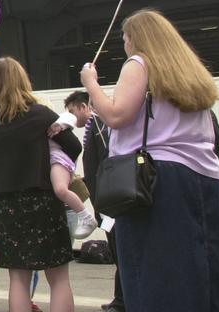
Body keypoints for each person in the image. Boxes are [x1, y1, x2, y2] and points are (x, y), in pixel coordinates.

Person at [80, 9, 219, 311]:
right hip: (206, 179)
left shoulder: (139, 63)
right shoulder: (188, 71)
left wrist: (91, 83)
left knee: (157, 272)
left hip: (157, 182)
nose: (125, 45)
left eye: (125, 38)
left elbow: (116, 115)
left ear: (137, 39)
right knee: (208, 271)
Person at [0, 58, 76, 312]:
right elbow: (74, 146)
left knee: (18, 278)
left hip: (6, 206)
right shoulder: (42, 115)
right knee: (58, 277)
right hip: (44, 202)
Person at [65, 91, 124, 312]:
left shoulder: (99, 125)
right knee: (118, 249)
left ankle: (123, 300)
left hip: (109, 197)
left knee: (120, 250)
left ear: (83, 106)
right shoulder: (94, 127)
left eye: (72, 111)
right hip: (104, 197)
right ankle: (120, 298)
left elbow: (106, 160)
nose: (71, 116)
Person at [47, 111, 96, 238]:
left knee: (60, 190)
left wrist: (59, 124)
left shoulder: (51, 122)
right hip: (53, 161)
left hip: (57, 159)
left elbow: (70, 116)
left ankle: (86, 217)